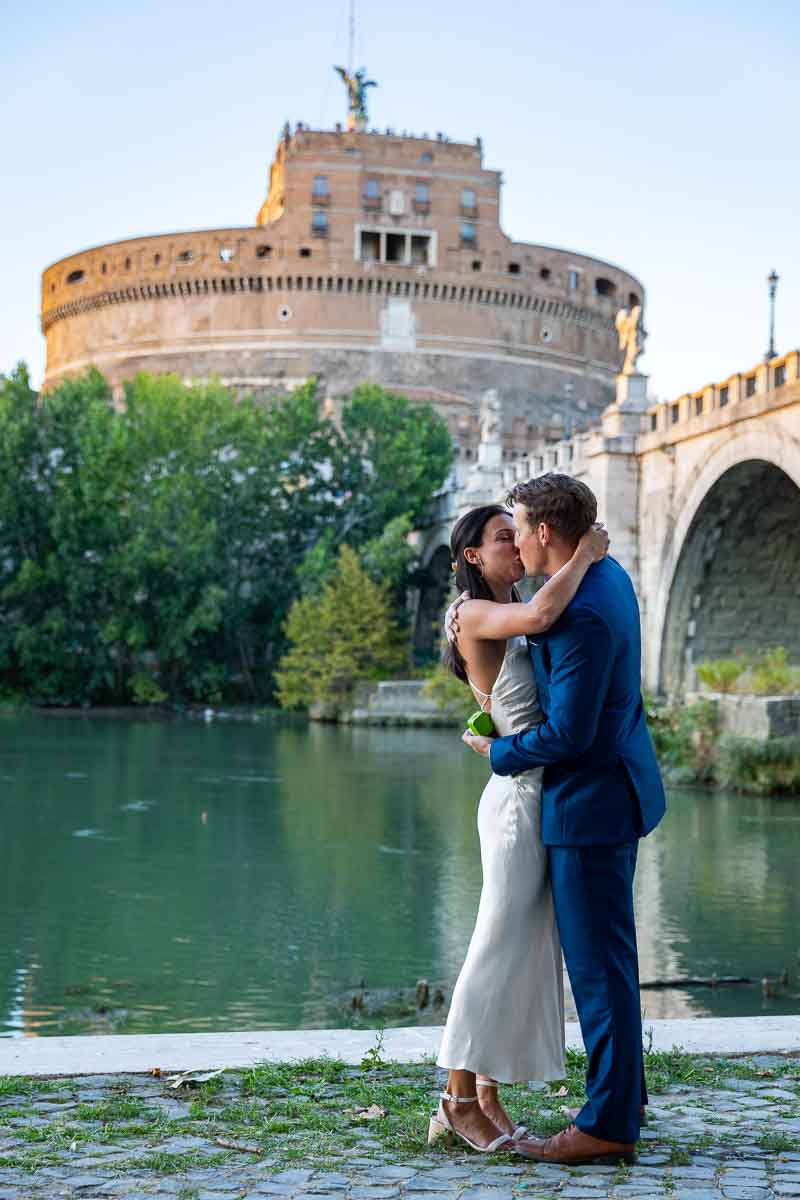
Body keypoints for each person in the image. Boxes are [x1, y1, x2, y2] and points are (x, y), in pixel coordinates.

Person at [462, 474, 666, 1166]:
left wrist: (500, 752)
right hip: (615, 790)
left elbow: (570, 736)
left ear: (546, 532)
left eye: (518, 526)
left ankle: (607, 1123)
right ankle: (622, 1097)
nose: (515, 539)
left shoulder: (577, 610)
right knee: (612, 961)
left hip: (586, 804)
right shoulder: (606, 575)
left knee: (597, 972)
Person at [429, 502, 610, 1156]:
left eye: (518, 534)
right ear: (473, 556)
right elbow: (539, 617)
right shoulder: (472, 612)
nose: (516, 544)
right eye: (503, 537)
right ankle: (455, 1098)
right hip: (514, 802)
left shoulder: (511, 603)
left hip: (535, 794)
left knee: (523, 952)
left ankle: (487, 1093)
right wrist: (585, 552)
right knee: (495, 948)